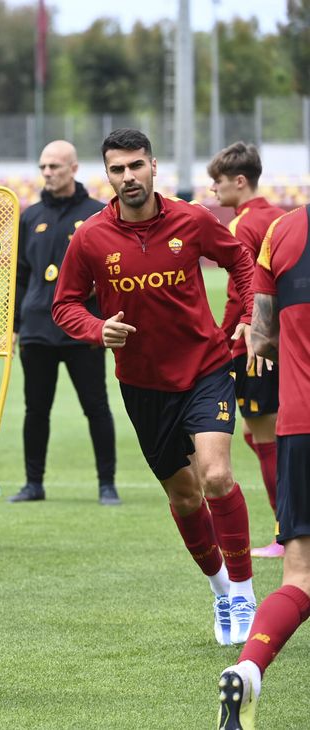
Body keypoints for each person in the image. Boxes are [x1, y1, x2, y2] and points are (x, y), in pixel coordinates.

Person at [52, 128, 257, 646]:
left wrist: (253, 314)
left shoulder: (191, 220)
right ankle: (219, 590)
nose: (128, 177)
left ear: (153, 166)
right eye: (118, 170)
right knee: (185, 497)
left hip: (205, 368)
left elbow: (241, 261)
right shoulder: (91, 237)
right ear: (107, 176)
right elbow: (65, 304)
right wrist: (99, 330)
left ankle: (245, 593)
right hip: (143, 384)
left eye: (136, 166)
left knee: (214, 474)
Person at [215, 204, 310, 730]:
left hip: (300, 427)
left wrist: (262, 337)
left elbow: (262, 329)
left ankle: (250, 668)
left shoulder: (284, 229)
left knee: (300, 578)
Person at [10, 140, 119, 506]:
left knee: (96, 407)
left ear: (74, 169)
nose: (47, 173)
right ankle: (33, 484)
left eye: (55, 166)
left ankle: (107, 485)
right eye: (43, 167)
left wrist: (100, 323)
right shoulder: (31, 216)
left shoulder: (98, 215)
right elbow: (20, 276)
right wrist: (14, 326)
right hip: (37, 330)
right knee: (35, 410)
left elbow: (110, 274)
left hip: (82, 330)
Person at [208, 141, 286, 560]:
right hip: (285, 338)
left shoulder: (241, 226)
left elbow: (243, 292)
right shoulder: (284, 217)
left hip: (253, 342)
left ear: (240, 181)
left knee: (266, 435)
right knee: (262, 435)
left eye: (217, 182)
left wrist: (223, 335)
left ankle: (285, 531)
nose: (213, 191)